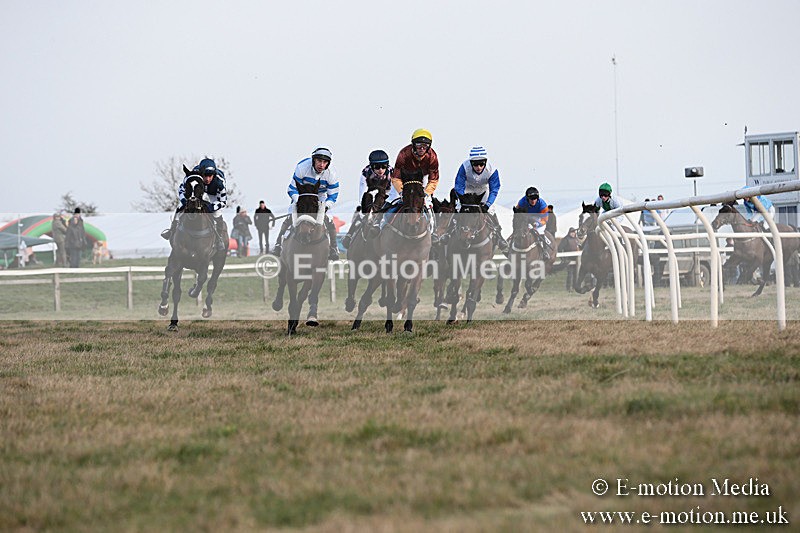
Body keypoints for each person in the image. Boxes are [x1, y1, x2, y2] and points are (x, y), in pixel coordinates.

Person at [272, 147, 340, 260]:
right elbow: (291, 188)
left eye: (324, 162)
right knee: (290, 217)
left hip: (320, 198)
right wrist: (299, 201)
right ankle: (278, 244)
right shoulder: (302, 168)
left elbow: (333, 195)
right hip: (301, 196)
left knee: (329, 219)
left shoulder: (331, 174)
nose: (321, 165)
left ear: (328, 164)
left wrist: (326, 205)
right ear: (313, 160)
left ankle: (333, 248)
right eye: (319, 161)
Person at [373, 129, 440, 233]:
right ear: (413, 144)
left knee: (427, 202)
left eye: (425, 145)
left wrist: (426, 193)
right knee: (392, 198)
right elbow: (395, 178)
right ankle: (378, 223)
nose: (422, 148)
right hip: (404, 179)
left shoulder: (432, 156)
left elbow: (433, 180)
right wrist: (401, 192)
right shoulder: (404, 153)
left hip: (422, 179)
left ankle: (433, 231)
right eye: (418, 145)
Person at [161, 158, 229, 251]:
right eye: (205, 176)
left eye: (210, 176)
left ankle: (219, 239)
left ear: (214, 174)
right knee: (180, 207)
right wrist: (185, 201)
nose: (207, 179)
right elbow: (181, 190)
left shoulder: (219, 182)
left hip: (213, 194)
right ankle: (172, 230)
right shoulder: (193, 176)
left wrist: (211, 207)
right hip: (198, 191)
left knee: (217, 213)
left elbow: (223, 201)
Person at [452, 146, 509, 253]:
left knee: (491, 211)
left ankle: (499, 237)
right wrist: (464, 199)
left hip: (483, 191)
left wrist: (487, 204)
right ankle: (449, 232)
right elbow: (459, 185)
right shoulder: (464, 167)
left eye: (481, 164)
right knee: (459, 209)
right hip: (467, 190)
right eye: (475, 164)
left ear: (485, 162)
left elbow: (494, 189)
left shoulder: (492, 170)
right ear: (471, 163)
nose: (478, 167)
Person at [341, 149, 393, 249]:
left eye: (383, 167)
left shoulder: (392, 172)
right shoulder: (365, 173)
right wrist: (365, 206)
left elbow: (394, 192)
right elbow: (362, 192)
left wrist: (387, 202)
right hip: (371, 193)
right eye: (377, 167)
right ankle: (349, 235)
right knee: (360, 212)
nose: (381, 170)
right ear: (372, 166)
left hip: (387, 194)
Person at [515, 187, 553, 261]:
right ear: (527, 198)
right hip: (526, 218)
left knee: (539, 231)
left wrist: (537, 224)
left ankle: (544, 251)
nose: (533, 200)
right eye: (531, 198)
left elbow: (545, 220)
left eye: (535, 198)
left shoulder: (543, 205)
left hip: (539, 219)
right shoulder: (521, 202)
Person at [558, 227, 580, 291]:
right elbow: (560, 248)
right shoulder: (565, 239)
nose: (573, 234)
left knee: (576, 273)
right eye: (572, 232)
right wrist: (563, 258)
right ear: (569, 233)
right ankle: (568, 288)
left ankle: (575, 287)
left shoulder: (576, 239)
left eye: (574, 232)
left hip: (576, 259)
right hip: (568, 259)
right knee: (570, 274)